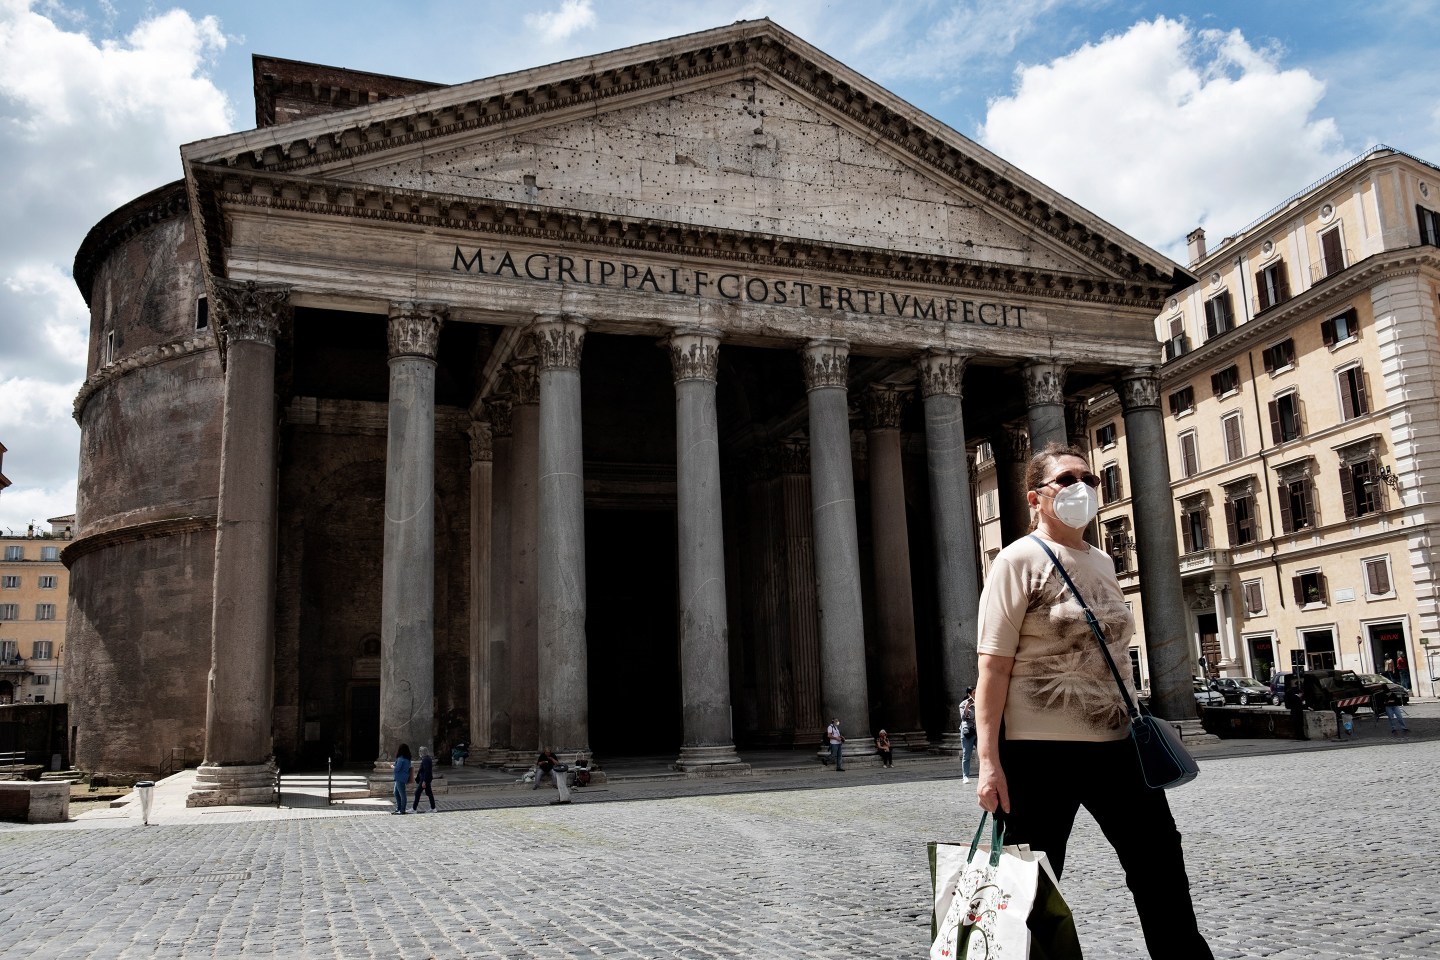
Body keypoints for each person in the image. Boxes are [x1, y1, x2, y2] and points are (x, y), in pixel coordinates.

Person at [975, 443, 1213, 960]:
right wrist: (989, 762)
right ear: (1036, 498)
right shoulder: (1017, 560)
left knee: (1161, 869)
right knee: (1032, 888)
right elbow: (991, 667)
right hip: (1039, 752)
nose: (1082, 486)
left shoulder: (1102, 561)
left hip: (1117, 742)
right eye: (1067, 479)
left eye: (1090, 478)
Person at [958, 687, 977, 783]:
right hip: (968, 731)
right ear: (969, 694)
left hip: (978, 731)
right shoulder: (963, 704)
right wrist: (967, 706)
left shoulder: (981, 702)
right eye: (974, 692)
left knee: (985, 753)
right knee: (967, 755)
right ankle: (965, 776)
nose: (976, 693)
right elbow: (963, 717)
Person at [412, 745, 437, 813]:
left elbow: (426, 771)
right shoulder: (427, 758)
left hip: (424, 779)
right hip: (426, 779)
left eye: (420, 752)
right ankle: (433, 808)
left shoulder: (425, 759)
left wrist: (424, 781)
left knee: (417, 793)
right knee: (429, 793)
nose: (419, 753)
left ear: (422, 752)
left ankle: (414, 809)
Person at [1283, 676, 1307, 741]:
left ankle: (1298, 736)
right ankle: (1301, 736)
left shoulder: (1292, 695)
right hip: (1297, 713)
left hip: (1294, 713)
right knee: (1299, 725)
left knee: (1297, 725)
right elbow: (1300, 706)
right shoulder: (1296, 699)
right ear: (1300, 693)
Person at [391, 743, 412, 815]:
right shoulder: (407, 759)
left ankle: (402, 809)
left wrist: (392, 766)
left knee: (402, 794)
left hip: (399, 778)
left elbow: (397, 769)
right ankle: (399, 808)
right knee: (396, 792)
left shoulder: (400, 759)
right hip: (403, 777)